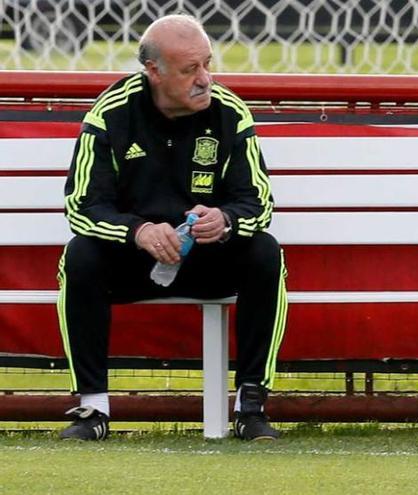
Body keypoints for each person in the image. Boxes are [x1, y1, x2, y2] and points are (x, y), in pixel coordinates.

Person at [56, 14, 288, 441]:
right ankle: (92, 408)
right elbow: (82, 206)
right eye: (190, 70)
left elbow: (258, 203)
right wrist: (137, 232)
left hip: (206, 259)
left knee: (265, 251)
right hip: (133, 262)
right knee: (81, 255)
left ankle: (252, 405)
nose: (205, 79)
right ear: (154, 72)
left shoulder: (230, 112)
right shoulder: (111, 112)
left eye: (208, 64)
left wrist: (226, 221)